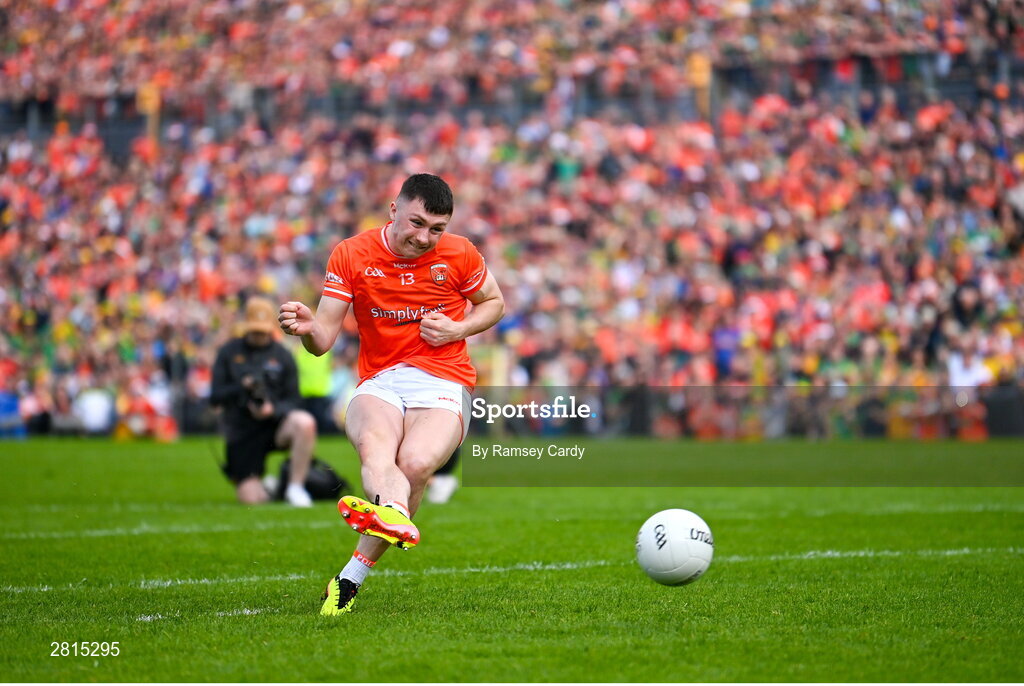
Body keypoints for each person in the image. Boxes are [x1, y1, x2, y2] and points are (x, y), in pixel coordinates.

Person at [278, 173, 505, 615]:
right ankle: (394, 517)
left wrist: (458, 328)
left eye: (436, 229)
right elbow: (323, 339)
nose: (425, 237)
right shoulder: (351, 253)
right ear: (393, 210)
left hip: (444, 379)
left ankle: (350, 576)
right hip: (379, 380)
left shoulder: (460, 254)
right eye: (417, 223)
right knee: (376, 453)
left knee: (416, 464)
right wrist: (307, 330)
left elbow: (494, 302)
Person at [211, 297, 317, 507]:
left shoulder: (283, 355)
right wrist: (242, 387)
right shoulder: (228, 352)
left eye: (262, 331)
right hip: (242, 432)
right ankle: (272, 486)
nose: (259, 336)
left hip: (274, 426)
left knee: (305, 422)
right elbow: (215, 396)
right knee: (252, 499)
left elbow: (295, 400)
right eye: (254, 331)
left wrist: (273, 409)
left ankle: (296, 487)